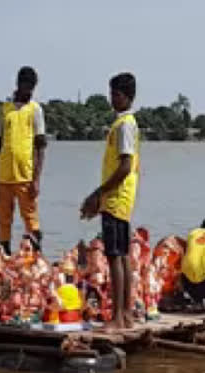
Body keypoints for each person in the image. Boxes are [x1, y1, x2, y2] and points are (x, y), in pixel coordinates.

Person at [80, 73, 140, 331]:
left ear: (128, 97)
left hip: (117, 198)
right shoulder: (123, 124)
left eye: (116, 94)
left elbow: (125, 166)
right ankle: (125, 314)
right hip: (119, 199)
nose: (112, 99)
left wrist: (98, 193)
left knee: (115, 256)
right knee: (122, 256)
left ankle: (117, 316)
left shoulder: (125, 125)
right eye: (111, 93)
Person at [0, 66, 47, 255]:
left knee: (31, 219)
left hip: (26, 175)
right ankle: (4, 256)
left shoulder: (35, 110)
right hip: (4, 175)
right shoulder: (4, 109)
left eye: (31, 87)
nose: (28, 90)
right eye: (25, 86)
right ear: (18, 84)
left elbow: (40, 146)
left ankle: (35, 258)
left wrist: (36, 179)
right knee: (3, 220)